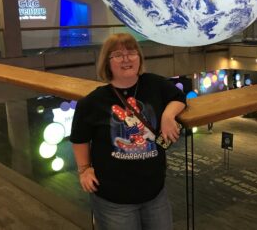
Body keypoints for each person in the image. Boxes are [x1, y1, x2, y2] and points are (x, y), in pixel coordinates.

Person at [70, 33, 186, 230]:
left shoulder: (153, 84)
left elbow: (179, 97)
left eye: (131, 53)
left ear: (139, 58)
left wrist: (168, 116)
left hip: (155, 194)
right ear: (107, 63)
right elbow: (79, 138)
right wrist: (84, 169)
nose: (126, 59)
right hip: (113, 200)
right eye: (117, 55)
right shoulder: (92, 102)